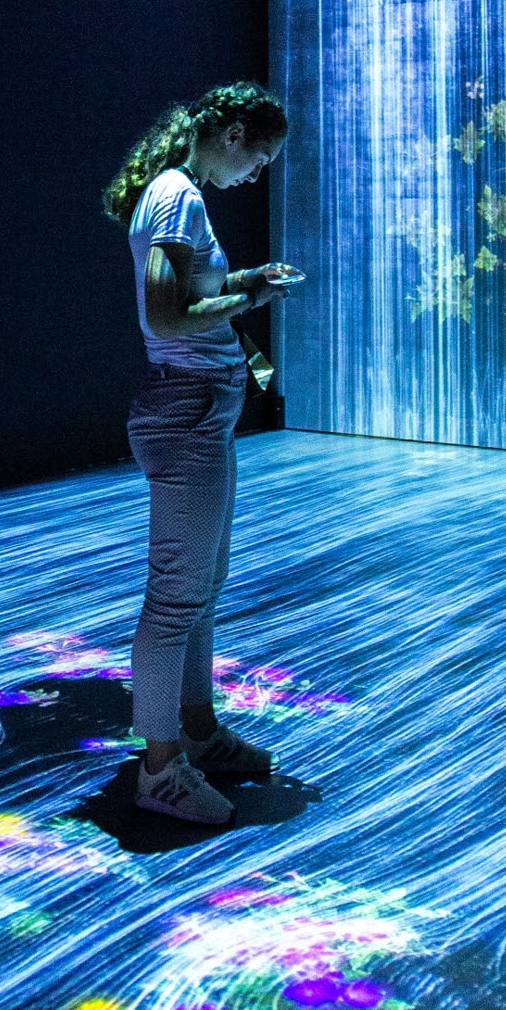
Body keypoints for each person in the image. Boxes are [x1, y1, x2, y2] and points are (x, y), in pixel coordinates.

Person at [102, 82, 302, 824]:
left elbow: (186, 297)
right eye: (260, 156)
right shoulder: (176, 195)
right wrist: (246, 300)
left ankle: (196, 730)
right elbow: (165, 314)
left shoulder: (181, 193)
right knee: (176, 595)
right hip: (184, 411)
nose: (258, 173)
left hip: (200, 411)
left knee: (202, 585)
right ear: (231, 133)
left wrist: (246, 279)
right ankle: (160, 769)